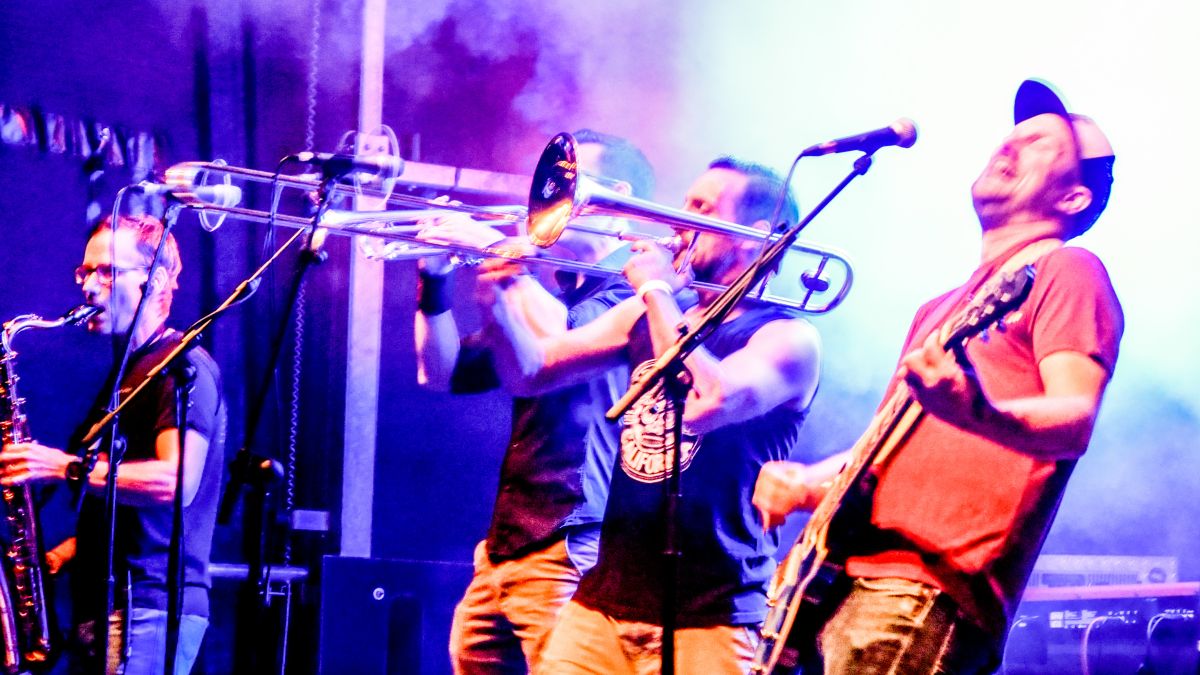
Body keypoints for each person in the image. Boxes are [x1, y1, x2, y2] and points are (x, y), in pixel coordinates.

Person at [752, 79, 1123, 673]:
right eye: (1012, 135)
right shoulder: (939, 309)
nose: (1010, 144)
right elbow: (887, 452)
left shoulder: (1068, 269)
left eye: (1040, 143)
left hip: (923, 589)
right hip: (840, 581)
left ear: (1074, 197)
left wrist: (974, 407)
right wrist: (807, 483)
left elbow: (1074, 417)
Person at [484, 157, 821, 674]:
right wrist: (498, 296)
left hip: (713, 614)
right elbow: (532, 373)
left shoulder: (789, 336)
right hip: (601, 602)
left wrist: (657, 290)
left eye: (702, 208)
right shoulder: (652, 311)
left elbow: (708, 402)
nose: (677, 219)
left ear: (753, 237)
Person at [414, 130, 656, 673]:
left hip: (573, 535)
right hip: (506, 543)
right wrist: (434, 279)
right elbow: (441, 372)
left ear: (615, 195)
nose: (547, 197)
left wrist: (494, 248)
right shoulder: (549, 293)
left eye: (567, 183)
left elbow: (559, 345)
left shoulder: (638, 289)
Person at [0, 214, 226, 674]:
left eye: (107, 272)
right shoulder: (128, 374)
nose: (89, 287)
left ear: (154, 280)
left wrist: (63, 467)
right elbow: (132, 516)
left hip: (147, 603)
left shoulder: (183, 367)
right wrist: (62, 553)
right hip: (107, 606)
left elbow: (175, 482)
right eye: (85, 272)